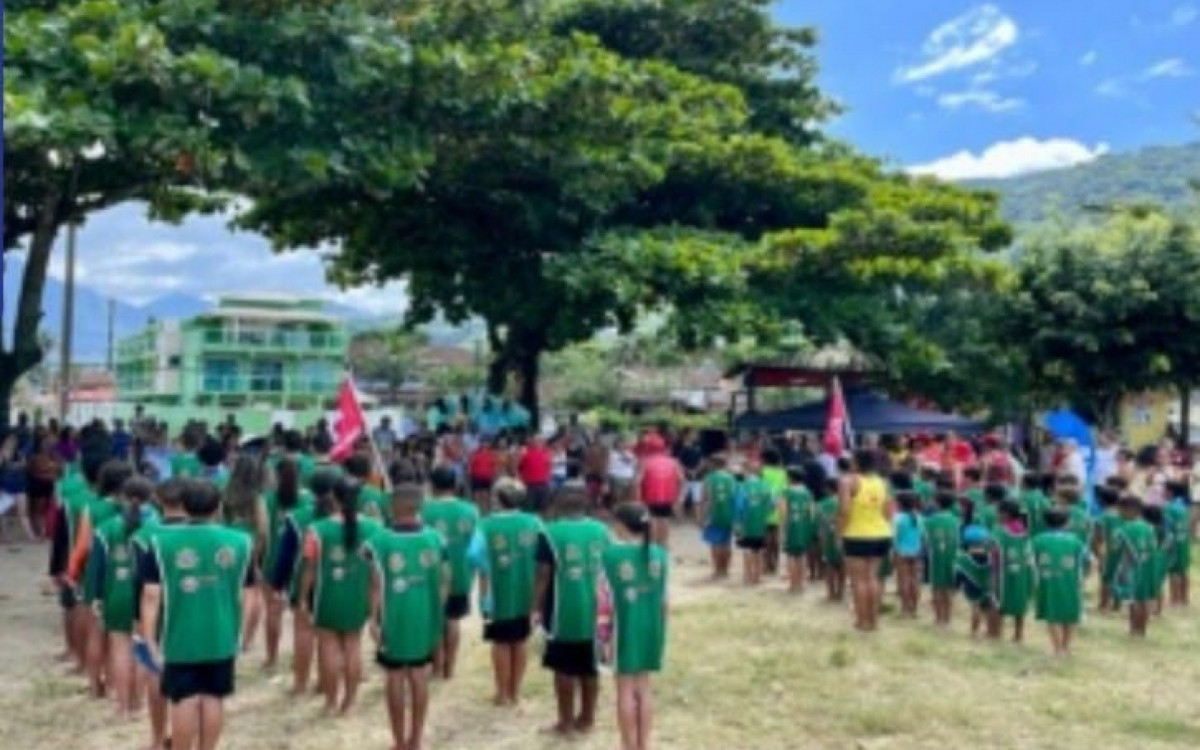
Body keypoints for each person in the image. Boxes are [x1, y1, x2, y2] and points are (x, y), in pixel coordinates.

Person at [140, 480, 253, 750]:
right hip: (222, 634)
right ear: (217, 507)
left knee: (184, 699)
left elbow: (150, 596)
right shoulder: (240, 542)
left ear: (184, 506)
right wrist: (243, 634)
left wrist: (149, 640)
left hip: (179, 635)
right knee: (214, 697)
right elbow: (249, 595)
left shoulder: (158, 543)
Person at [363, 483, 447, 750]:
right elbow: (446, 579)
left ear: (395, 507)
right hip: (425, 615)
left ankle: (399, 741)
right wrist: (437, 610)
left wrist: (373, 618)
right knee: (419, 674)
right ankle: (416, 740)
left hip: (394, 617)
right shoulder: (436, 538)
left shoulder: (379, 540)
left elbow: (375, 583)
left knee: (395, 676)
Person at [534, 486, 611, 737]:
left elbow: (543, 575)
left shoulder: (549, 533)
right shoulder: (602, 531)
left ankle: (565, 723)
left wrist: (534, 608)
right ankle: (587, 719)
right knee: (590, 667)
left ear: (558, 506)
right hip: (597, 609)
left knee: (563, 668)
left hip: (563, 610)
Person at [301, 478, 381, 714]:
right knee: (353, 645)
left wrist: (303, 598)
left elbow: (309, 569)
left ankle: (330, 702)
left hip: (328, 596)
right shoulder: (375, 528)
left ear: (333, 498)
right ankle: (350, 701)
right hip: (358, 597)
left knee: (328, 649)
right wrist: (374, 606)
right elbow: (376, 572)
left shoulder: (317, 530)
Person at [469, 478, 543, 706]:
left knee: (500, 643)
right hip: (527, 593)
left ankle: (501, 693)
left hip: (497, 594)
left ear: (498, 499)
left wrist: (486, 580)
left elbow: (473, 555)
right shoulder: (535, 522)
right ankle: (515, 692)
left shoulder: (485, 525)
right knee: (520, 641)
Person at [602, 503, 668, 750]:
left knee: (625, 688)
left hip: (623, 627)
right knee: (644, 685)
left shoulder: (609, 556)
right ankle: (644, 744)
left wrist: (603, 639)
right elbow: (664, 600)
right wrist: (661, 631)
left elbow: (602, 601)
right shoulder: (660, 555)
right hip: (651, 626)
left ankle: (628, 744)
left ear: (621, 525)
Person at [91, 475, 156, 718]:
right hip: (147, 594)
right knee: (142, 648)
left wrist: (97, 597)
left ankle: (122, 705)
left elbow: (96, 567)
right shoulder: (157, 527)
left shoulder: (106, 528)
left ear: (124, 497)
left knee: (119, 648)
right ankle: (139, 704)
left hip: (116, 591)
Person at [270, 469, 339, 695]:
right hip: (337, 582)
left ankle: (301, 683)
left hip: (304, 582)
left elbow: (286, 555)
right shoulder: (348, 517)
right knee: (329, 638)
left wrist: (277, 583)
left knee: (304, 633)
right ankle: (325, 684)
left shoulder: (297, 517)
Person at [130, 479, 188, 750]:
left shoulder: (143, 536)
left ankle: (156, 737)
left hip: (154, 613)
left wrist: (137, 619)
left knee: (156, 674)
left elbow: (137, 583)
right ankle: (183, 739)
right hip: (190, 611)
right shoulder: (201, 533)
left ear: (158, 500)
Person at [419, 465, 480, 680]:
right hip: (461, 571)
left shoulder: (424, 510)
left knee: (435, 619)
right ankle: (450, 668)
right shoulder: (471, 510)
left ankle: (437, 665)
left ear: (432, 485)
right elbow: (476, 545)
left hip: (431, 573)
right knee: (453, 619)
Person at [261, 458, 311, 670]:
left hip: (272, 559)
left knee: (273, 611)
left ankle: (272, 657)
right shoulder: (307, 500)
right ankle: (301, 661)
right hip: (300, 562)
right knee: (303, 617)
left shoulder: (266, 499)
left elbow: (263, 532)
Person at [839, 450, 893, 631]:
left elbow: (845, 511)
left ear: (856, 463)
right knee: (873, 578)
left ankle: (862, 620)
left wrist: (840, 532)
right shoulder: (883, 482)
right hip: (881, 534)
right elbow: (888, 512)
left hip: (857, 534)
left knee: (859, 581)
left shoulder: (848, 481)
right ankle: (874, 621)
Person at [222, 454, 267, 654]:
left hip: (228, 545)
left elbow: (219, 522)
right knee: (253, 593)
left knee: (231, 592)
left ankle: (233, 632)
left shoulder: (225, 493)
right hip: (249, 545)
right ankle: (246, 638)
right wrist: (257, 556)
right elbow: (263, 529)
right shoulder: (256, 497)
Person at [1033, 507, 1088, 656]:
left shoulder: (1038, 540)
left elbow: (1030, 561)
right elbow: (1090, 560)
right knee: (1071, 614)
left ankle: (1057, 649)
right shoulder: (1075, 540)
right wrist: (1084, 578)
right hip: (1071, 582)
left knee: (1053, 614)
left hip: (1048, 582)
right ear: (1067, 523)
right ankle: (1066, 646)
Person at [1112, 496, 1158, 638]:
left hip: (1131, 569)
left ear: (1130, 510)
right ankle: (1142, 630)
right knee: (1144, 600)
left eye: (1120, 510)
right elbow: (1154, 547)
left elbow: (1116, 549)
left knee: (1133, 600)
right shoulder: (1150, 527)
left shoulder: (1123, 530)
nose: (1119, 514)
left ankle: (1133, 629)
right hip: (1149, 567)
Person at [632, 434, 685, 549]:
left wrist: (637, 497)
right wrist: (679, 497)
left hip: (649, 495)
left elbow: (638, 481)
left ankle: (652, 543)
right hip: (667, 496)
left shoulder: (645, 461)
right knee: (664, 519)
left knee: (651, 519)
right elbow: (681, 480)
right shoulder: (673, 462)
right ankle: (663, 543)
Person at [994, 499, 1033, 643]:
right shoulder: (1023, 529)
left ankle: (997, 632)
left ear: (1005, 514)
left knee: (999, 600)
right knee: (1019, 602)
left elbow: (994, 550)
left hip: (1002, 570)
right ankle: (1018, 634)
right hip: (1021, 570)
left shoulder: (1000, 530)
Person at [925, 491, 961, 627]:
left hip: (936, 558)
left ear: (937, 503)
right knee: (948, 588)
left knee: (937, 588)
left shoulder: (929, 521)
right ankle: (947, 617)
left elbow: (926, 539)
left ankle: (939, 618)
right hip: (952, 557)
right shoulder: (956, 520)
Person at [955, 526, 997, 639]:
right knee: (989, 609)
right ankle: (991, 632)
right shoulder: (990, 557)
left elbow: (959, 575)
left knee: (975, 608)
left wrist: (956, 587)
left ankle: (974, 631)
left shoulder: (963, 559)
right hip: (987, 586)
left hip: (971, 587)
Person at [735, 465, 774, 587]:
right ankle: (757, 577)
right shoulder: (766, 486)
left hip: (746, 523)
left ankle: (747, 576)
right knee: (758, 551)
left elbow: (739, 506)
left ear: (749, 472)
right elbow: (772, 504)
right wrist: (763, 513)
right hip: (760, 523)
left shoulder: (743, 486)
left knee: (747, 550)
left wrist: (738, 523)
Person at [780, 466, 817, 594]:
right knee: (802, 555)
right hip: (805, 526)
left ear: (790, 477)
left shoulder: (786, 492)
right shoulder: (808, 492)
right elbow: (812, 512)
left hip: (792, 526)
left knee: (791, 556)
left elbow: (783, 512)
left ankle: (793, 584)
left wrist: (783, 528)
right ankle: (801, 584)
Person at [700, 454, 737, 579]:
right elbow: (734, 497)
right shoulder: (731, 478)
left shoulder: (708, 478)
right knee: (726, 543)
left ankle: (717, 570)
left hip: (714, 514)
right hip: (728, 514)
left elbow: (705, 499)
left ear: (713, 464)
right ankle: (725, 570)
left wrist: (702, 516)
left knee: (715, 543)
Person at [891, 490, 924, 617]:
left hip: (901, 551)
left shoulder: (897, 518)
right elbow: (921, 535)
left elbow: (894, 535)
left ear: (899, 503)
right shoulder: (919, 517)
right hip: (916, 550)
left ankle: (905, 607)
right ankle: (914, 608)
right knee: (915, 579)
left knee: (903, 579)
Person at [816, 478, 845, 602]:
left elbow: (819, 525)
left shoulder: (821, 504)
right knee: (842, 565)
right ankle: (840, 592)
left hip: (828, 537)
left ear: (827, 489)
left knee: (829, 565)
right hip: (844, 537)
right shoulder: (844, 503)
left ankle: (831, 593)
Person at [1095, 486, 1123, 611]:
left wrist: (1097, 551)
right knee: (1120, 576)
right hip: (1122, 549)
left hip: (1107, 550)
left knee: (1106, 578)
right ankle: (1117, 603)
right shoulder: (1123, 516)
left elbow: (1099, 537)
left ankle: (1104, 603)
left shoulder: (1102, 518)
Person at [759, 449, 787, 576]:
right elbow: (784, 491)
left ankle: (766, 564)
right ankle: (774, 565)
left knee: (765, 537)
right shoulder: (783, 473)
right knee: (775, 538)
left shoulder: (762, 472)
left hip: (764, 507)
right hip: (778, 507)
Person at [1164, 480, 1191, 606]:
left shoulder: (1169, 508)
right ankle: (1184, 598)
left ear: (1170, 492)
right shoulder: (1184, 506)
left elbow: (1167, 527)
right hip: (1184, 540)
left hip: (1173, 542)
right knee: (1184, 569)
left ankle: (1174, 599)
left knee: (1173, 571)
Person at [517, 435, 554, 515]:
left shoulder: (547, 452)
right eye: (536, 440)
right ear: (532, 442)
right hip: (530, 484)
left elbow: (550, 466)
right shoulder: (526, 452)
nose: (538, 442)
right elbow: (519, 467)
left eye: (540, 440)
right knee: (529, 508)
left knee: (544, 507)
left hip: (543, 483)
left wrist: (549, 478)